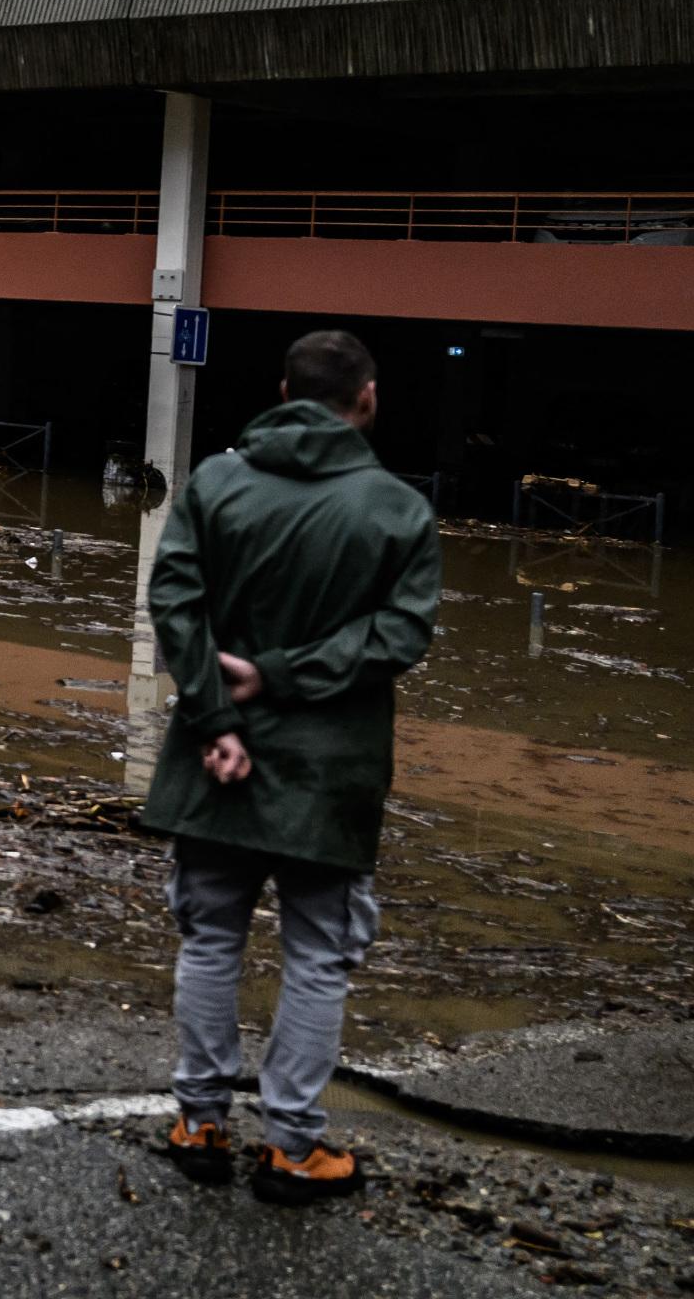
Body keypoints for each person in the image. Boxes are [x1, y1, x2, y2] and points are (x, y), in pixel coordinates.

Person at [143, 328, 439, 1206]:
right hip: (330, 774)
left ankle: (200, 1122)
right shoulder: (398, 511)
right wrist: (284, 677)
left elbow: (173, 600)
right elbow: (400, 636)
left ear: (282, 391)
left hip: (213, 761)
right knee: (316, 957)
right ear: (369, 398)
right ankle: (293, 1148)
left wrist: (216, 713)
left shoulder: (217, 486)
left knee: (209, 938)